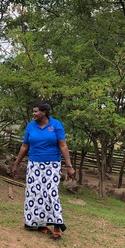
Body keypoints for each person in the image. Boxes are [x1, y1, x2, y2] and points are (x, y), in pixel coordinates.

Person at [12, 102, 75, 240]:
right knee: (34, 194)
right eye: (33, 111)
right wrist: (16, 164)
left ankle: (57, 225)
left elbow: (63, 145)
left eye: (36, 111)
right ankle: (36, 223)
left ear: (44, 112)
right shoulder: (30, 126)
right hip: (34, 164)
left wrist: (69, 166)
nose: (33, 114)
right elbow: (24, 146)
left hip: (52, 165)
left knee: (51, 193)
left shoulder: (56, 125)